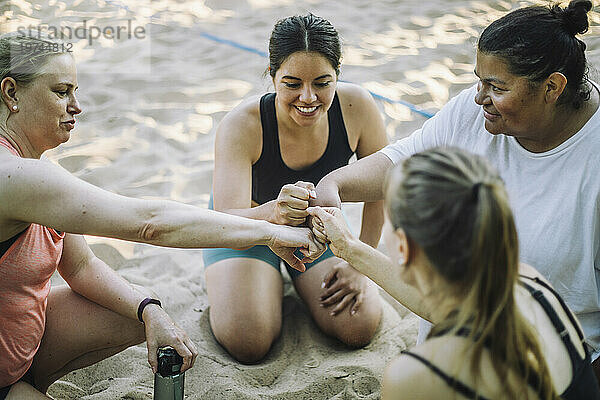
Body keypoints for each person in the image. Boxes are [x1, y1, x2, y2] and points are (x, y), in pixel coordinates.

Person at [0, 32, 323, 399]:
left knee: (137, 305)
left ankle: (28, 384)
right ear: (11, 93)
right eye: (61, 92)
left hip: (17, 350)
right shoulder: (15, 176)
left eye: (76, 91)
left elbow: (81, 267)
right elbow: (150, 223)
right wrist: (268, 232)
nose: (76, 106)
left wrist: (146, 309)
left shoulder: (33, 170)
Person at [313, 0, 600, 381]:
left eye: (496, 87)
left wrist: (352, 249)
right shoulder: (473, 110)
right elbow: (404, 160)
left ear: (553, 87)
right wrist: (334, 183)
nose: (479, 97)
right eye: (479, 80)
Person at [308, 147, 600, 399]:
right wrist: (348, 247)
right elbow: (442, 306)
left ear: (402, 245)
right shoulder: (532, 286)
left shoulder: (415, 375)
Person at [203, 14, 388, 363]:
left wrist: (359, 262)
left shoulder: (358, 107)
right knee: (249, 341)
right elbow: (225, 221)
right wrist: (273, 213)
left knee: (358, 325)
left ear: (338, 75)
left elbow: (380, 190)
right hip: (249, 223)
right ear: (271, 76)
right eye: (291, 83)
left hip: (314, 224)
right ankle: (259, 276)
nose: (308, 97)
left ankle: (286, 280)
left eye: (322, 83)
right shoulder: (242, 125)